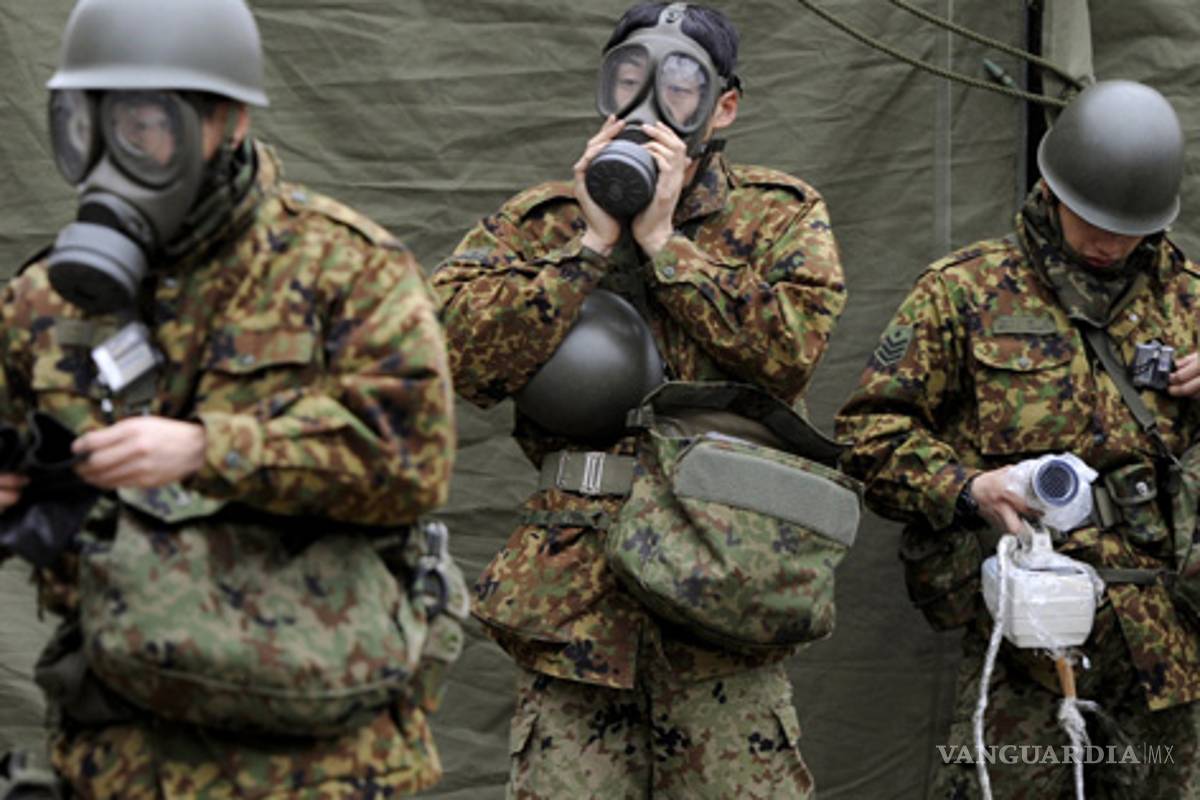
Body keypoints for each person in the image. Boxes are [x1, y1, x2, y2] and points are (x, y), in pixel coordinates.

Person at [0, 0, 458, 797]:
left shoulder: (343, 268)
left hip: (321, 760)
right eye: (92, 125)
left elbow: (411, 459)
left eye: (147, 126)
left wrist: (212, 448)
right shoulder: (45, 302)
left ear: (229, 121)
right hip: (120, 754)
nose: (117, 154)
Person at [433, 3, 846, 796]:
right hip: (575, 606)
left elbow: (791, 348)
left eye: (678, 89)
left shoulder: (779, 215)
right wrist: (588, 248)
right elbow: (452, 349)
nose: (648, 105)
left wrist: (664, 244)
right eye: (627, 81)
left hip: (726, 593)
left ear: (723, 106)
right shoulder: (542, 224)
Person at [836, 80, 1200, 798]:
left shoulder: (1191, 302)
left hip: (1167, 656)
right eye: (1091, 217)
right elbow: (866, 435)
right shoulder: (965, 292)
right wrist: (967, 488)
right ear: (1050, 186)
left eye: (1128, 227)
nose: (1108, 242)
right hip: (1027, 658)